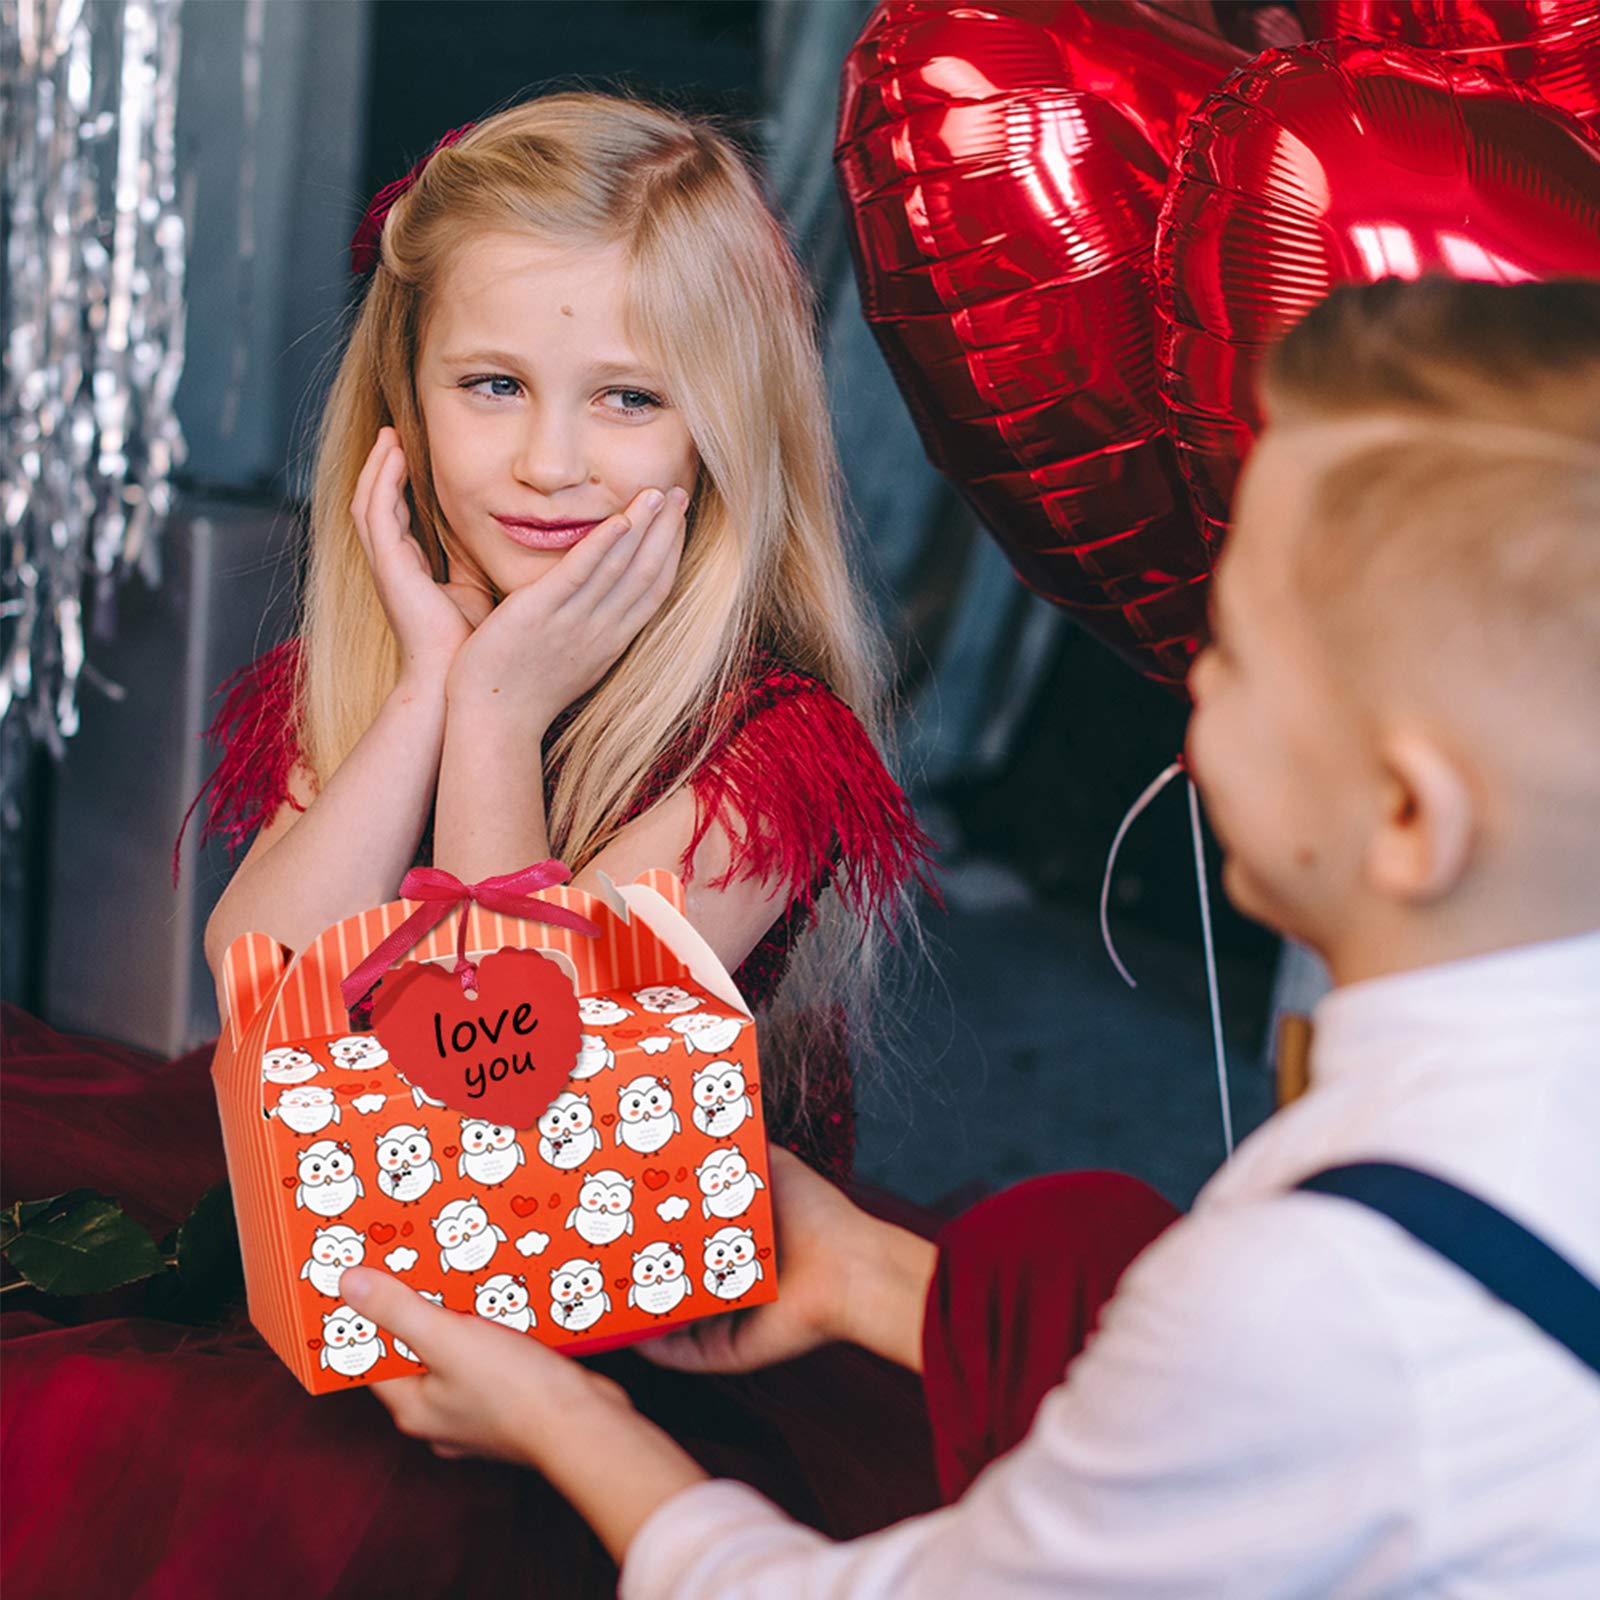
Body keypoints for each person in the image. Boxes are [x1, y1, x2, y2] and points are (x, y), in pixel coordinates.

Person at [9, 94, 1167, 1600]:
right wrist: (430, 681)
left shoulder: (771, 751)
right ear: (404, 415)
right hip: (359, 1241)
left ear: (725, 428)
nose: (551, 462)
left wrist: (494, 723)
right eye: (493, 384)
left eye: (629, 399)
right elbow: (255, 981)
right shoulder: (408, 662)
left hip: (612, 1303)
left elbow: (522, 1100)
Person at [339, 274, 1600, 1597]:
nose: (1194, 680)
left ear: (1409, 814)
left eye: (1236, 647)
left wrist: (565, 1423)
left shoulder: (1315, 1295)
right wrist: (870, 1276)